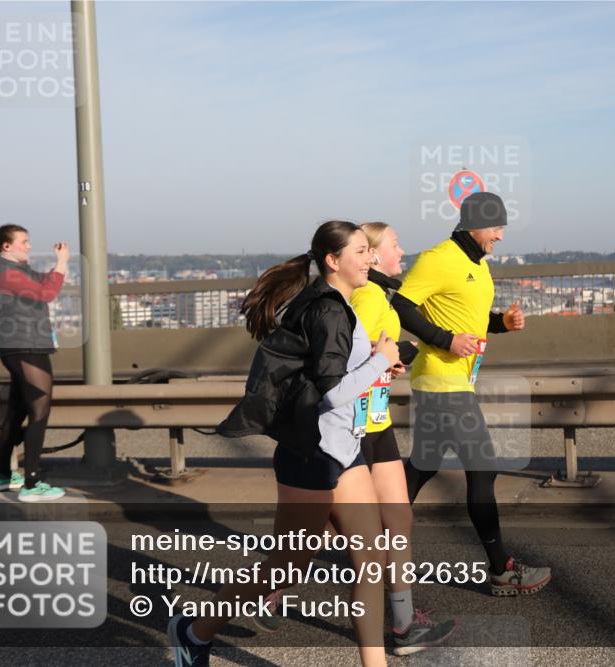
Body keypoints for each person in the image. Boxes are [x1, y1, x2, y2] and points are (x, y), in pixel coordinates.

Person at [170, 221, 400, 667]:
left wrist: (374, 358)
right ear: (333, 261)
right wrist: (382, 362)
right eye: (361, 252)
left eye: (370, 251)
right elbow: (333, 391)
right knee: (285, 566)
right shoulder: (330, 309)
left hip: (341, 449)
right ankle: (194, 631)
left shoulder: (328, 302)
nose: (371, 259)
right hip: (311, 453)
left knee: (370, 557)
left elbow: (323, 365)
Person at [253, 222, 457, 656]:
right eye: (391, 245)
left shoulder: (376, 293)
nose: (401, 251)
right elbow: (337, 371)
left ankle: (400, 624)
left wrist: (387, 362)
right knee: (334, 536)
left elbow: (357, 356)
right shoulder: (355, 299)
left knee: (392, 523)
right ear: (367, 255)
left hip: (373, 419)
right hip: (353, 426)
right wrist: (381, 361)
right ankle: (264, 593)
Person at [391, 192, 551, 595]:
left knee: (421, 468)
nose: (500, 236)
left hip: (452, 383)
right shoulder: (438, 258)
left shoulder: (477, 264)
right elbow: (402, 306)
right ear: (474, 225)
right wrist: (444, 341)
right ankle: (502, 570)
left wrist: (502, 323)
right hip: (443, 384)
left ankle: (374, 543)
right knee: (482, 471)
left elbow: (468, 319)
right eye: (496, 227)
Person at [0, 224, 68, 502]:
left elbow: (46, 283)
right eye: (25, 241)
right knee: (40, 409)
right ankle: (32, 484)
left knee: (18, 410)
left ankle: (4, 476)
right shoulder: (7, 272)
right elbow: (47, 294)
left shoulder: (13, 270)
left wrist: (59, 265)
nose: (29, 246)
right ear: (7, 246)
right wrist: (63, 262)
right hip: (26, 345)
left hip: (18, 345)